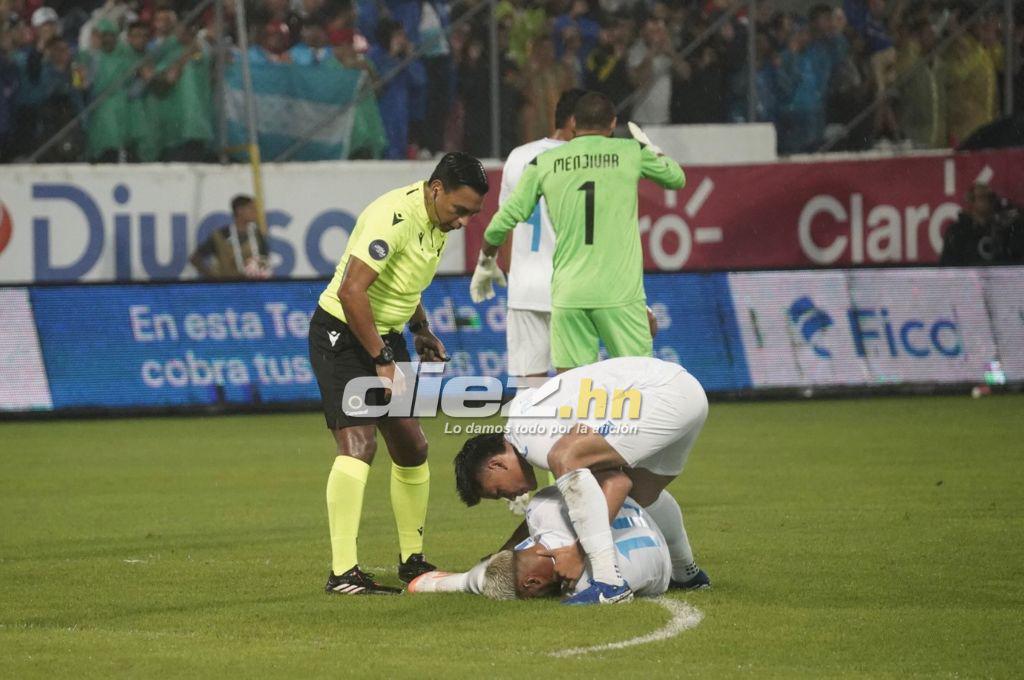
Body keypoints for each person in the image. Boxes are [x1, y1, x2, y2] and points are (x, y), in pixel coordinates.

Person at [309, 152, 488, 595]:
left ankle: (412, 561)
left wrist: (421, 329)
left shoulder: (436, 221)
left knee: (412, 446)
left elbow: (406, 284)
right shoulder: (395, 218)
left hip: (385, 335)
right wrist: (384, 360)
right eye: (459, 210)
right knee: (359, 443)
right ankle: (343, 573)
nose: (463, 221)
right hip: (343, 334)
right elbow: (353, 293)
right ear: (436, 189)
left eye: (471, 214)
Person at [453, 356, 711, 605]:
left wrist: (578, 553)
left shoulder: (536, 443)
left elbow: (615, 482)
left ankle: (609, 584)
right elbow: (620, 486)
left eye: (499, 492)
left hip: (663, 395)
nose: (511, 498)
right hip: (682, 393)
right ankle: (687, 573)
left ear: (496, 464)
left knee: (564, 457)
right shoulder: (524, 422)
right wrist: (504, 553)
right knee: (641, 498)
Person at [471, 91, 684, 371]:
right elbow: (676, 178)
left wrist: (486, 260)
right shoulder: (630, 152)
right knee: (636, 384)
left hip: (569, 294)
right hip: (619, 292)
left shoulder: (544, 163)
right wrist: (652, 150)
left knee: (573, 391)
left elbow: (502, 221)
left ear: (574, 124)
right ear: (612, 124)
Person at [472, 88, 585, 380]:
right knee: (575, 390)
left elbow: (506, 223)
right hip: (571, 289)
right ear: (575, 122)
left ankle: (524, 428)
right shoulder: (585, 162)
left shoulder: (518, 156)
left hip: (524, 289)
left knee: (528, 390)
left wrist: (499, 269)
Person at [408, 480, 678, 601]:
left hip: (658, 558)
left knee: (492, 578)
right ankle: (689, 570)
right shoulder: (542, 506)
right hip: (653, 522)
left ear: (533, 584)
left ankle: (446, 582)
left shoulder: (586, 585)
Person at [940, 183, 1024, 265]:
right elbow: (947, 264)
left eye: (990, 197)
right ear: (971, 202)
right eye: (982, 197)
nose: (988, 201)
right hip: (967, 276)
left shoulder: (1002, 228)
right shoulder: (957, 231)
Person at [190, 195, 271, 279]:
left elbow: (265, 260)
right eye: (251, 208)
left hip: (251, 288)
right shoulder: (220, 236)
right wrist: (211, 277)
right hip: (226, 288)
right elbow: (195, 259)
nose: (255, 212)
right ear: (240, 211)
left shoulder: (257, 235)